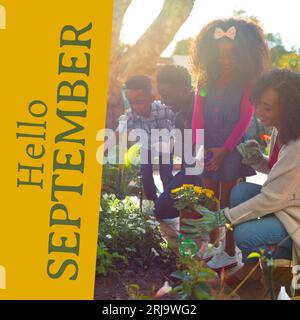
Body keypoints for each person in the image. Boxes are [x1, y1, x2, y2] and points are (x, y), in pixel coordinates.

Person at [183, 69, 300, 287]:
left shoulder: (296, 144)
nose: (259, 113)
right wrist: (258, 159)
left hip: (294, 216)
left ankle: (268, 265)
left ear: (289, 109)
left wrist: (222, 217)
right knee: (240, 192)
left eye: (267, 107)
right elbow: (279, 175)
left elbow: (271, 198)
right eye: (258, 104)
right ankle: (252, 267)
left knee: (244, 235)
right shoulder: (282, 129)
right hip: (286, 203)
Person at [191, 18, 269, 270]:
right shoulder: (204, 83)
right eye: (221, 57)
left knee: (229, 202)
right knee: (208, 198)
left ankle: (229, 251)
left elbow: (245, 119)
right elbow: (197, 116)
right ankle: (214, 245)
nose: (226, 62)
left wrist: (224, 150)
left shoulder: (246, 86)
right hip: (207, 146)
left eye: (232, 56)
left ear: (244, 58)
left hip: (232, 148)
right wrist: (199, 147)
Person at [105, 75, 175, 202]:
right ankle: (153, 203)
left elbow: (180, 122)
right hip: (146, 145)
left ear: (151, 99)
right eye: (131, 102)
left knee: (166, 174)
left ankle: (169, 203)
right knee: (145, 174)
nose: (135, 106)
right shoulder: (130, 116)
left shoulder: (164, 110)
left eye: (139, 102)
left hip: (165, 145)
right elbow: (117, 134)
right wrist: (104, 150)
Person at [154, 65, 202, 225]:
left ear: (183, 91)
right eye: (161, 95)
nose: (162, 101)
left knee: (161, 210)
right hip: (190, 170)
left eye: (166, 96)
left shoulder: (200, 108)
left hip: (203, 173)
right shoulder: (180, 114)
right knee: (161, 208)